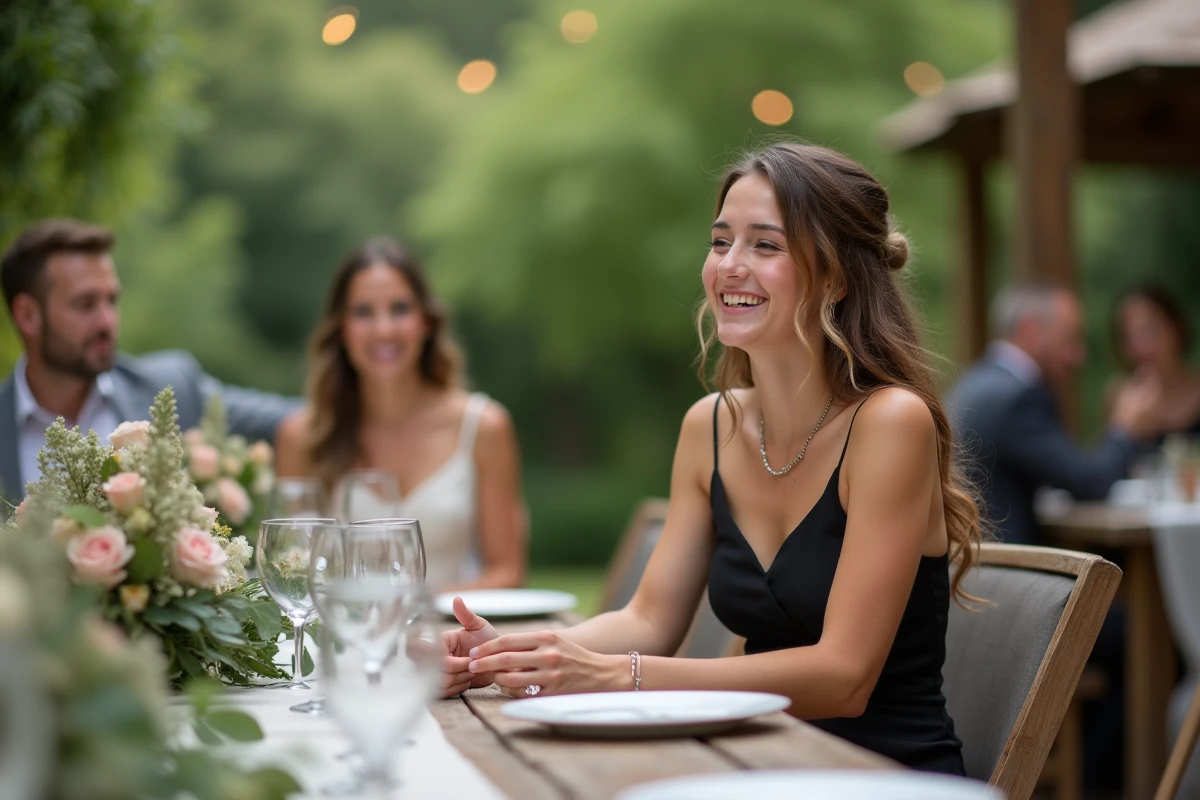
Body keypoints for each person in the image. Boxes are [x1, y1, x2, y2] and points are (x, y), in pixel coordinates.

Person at [440, 143, 979, 775]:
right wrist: (499, 656)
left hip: (880, 774)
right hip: (755, 764)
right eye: (721, 242)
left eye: (766, 245)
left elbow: (842, 677)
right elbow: (648, 618)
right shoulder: (711, 426)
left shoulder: (890, 423)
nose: (730, 266)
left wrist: (620, 677)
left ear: (835, 277)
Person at [274, 237, 526, 592]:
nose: (384, 329)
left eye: (400, 309)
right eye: (363, 312)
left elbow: (507, 574)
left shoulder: (484, 427)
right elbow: (289, 573)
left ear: (426, 322)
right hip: (341, 640)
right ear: (342, 329)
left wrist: (409, 605)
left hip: (447, 639)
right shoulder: (301, 437)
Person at [0, 218, 296, 510]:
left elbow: (290, 421)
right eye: (86, 304)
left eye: (112, 301)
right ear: (27, 315)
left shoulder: (170, 387)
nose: (107, 321)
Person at [947, 282, 1161, 546]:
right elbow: (1090, 482)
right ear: (1030, 329)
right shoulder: (1018, 397)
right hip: (1004, 571)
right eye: (1069, 339)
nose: (1078, 357)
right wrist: (1125, 427)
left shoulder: (972, 383)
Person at [1109, 285, 1200, 442]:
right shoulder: (1119, 397)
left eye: (1150, 330)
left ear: (1176, 329)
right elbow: (1106, 461)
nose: (1140, 345)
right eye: (1129, 336)